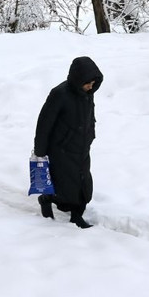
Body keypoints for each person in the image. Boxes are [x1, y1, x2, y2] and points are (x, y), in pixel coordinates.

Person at [34, 57, 103, 229]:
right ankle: (47, 199)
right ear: (78, 80)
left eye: (93, 83)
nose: (91, 87)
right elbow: (44, 124)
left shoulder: (87, 94)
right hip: (61, 149)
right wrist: (40, 151)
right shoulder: (59, 94)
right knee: (65, 182)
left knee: (83, 182)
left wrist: (90, 136)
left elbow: (89, 118)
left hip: (81, 148)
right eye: (87, 83)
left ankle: (76, 214)